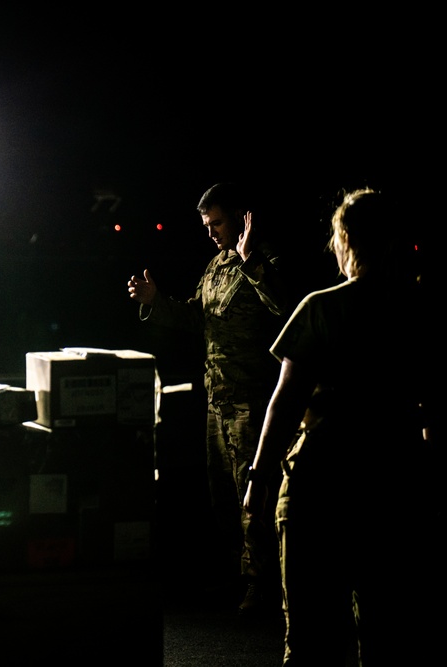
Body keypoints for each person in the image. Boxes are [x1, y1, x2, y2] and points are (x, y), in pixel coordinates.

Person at [243, 188, 434, 664]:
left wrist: (259, 478)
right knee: (390, 633)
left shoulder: (322, 308)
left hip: (321, 482)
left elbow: (286, 402)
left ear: (345, 239)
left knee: (311, 639)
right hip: (395, 481)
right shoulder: (419, 308)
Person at [127, 182, 290, 614]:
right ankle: (239, 575)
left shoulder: (264, 259)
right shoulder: (216, 266)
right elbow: (196, 316)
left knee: (254, 495)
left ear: (239, 217)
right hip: (218, 400)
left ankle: (264, 584)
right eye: (206, 225)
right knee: (222, 496)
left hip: (251, 400)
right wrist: (156, 302)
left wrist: (250, 259)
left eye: (216, 223)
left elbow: (284, 305)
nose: (211, 232)